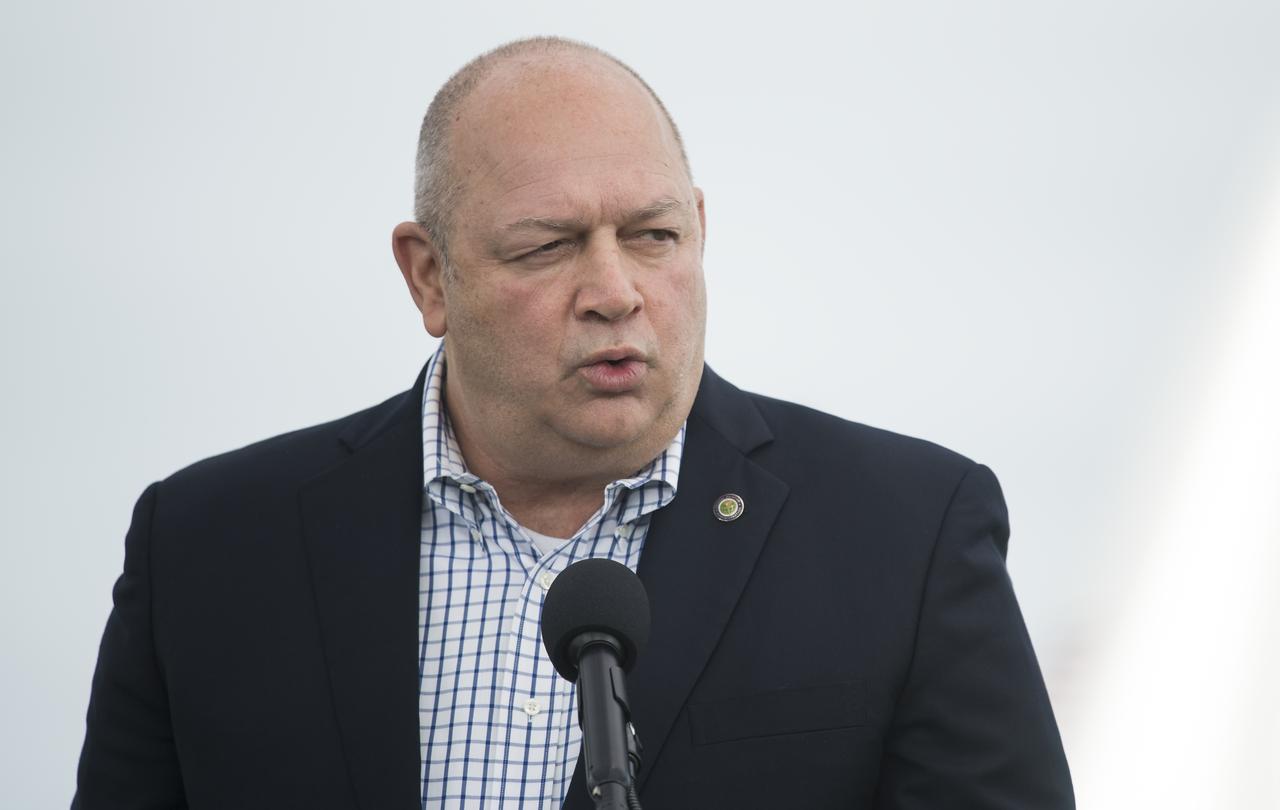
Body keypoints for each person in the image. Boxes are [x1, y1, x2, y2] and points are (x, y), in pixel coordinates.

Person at [73, 37, 1074, 809]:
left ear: (699, 231)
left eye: (652, 236)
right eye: (548, 247)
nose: (614, 291)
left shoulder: (901, 534)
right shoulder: (209, 548)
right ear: (430, 275)